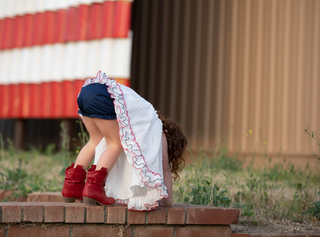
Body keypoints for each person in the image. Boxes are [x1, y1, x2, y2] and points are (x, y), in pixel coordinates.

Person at [62, 70, 188, 211]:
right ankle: (94, 189)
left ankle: (71, 186)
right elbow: (165, 172)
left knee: (94, 141)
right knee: (115, 145)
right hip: (104, 96)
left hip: (87, 92)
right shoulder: (158, 130)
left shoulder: (142, 121)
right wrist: (168, 203)